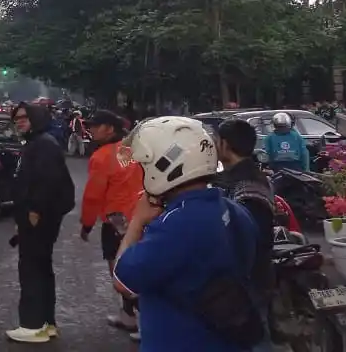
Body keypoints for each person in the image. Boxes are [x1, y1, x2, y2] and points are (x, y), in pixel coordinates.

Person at [113, 116, 266, 351]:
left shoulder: (176, 225)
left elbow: (123, 280)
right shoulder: (234, 210)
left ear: (163, 167)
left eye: (144, 166)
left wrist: (138, 221)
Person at [5, 101, 77, 344]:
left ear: (36, 118)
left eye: (24, 118)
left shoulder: (43, 145)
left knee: (32, 270)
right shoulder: (38, 143)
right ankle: (46, 324)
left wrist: (34, 211)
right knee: (42, 269)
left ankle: (32, 325)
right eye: (16, 119)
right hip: (38, 219)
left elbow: (48, 182)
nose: (20, 122)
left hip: (39, 219)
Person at [77, 110, 143, 333]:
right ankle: (128, 316)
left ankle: (148, 322)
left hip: (116, 222)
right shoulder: (133, 150)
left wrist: (86, 224)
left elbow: (93, 195)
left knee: (119, 272)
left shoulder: (102, 156)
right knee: (136, 267)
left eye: (96, 125)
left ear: (110, 129)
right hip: (142, 217)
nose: (91, 129)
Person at [214, 118, 276, 351]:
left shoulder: (247, 185)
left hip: (249, 280)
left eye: (217, 141)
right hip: (246, 278)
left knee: (255, 339)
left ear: (225, 145)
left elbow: (250, 239)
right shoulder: (240, 177)